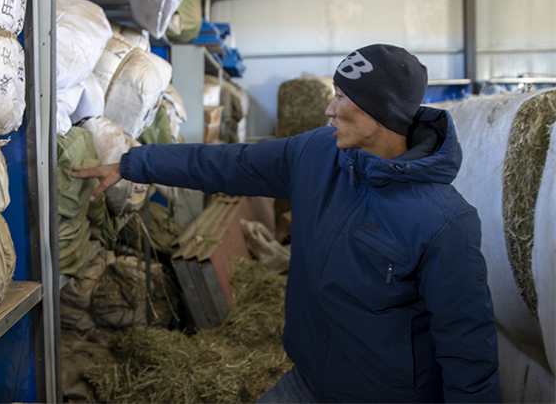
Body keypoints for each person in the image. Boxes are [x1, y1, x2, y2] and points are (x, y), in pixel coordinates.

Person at [72, 44, 499, 403]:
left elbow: (468, 349)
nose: (329, 109)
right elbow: (226, 163)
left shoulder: (444, 221)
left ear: (379, 113)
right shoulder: (317, 153)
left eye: (342, 98)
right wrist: (134, 163)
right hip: (308, 379)